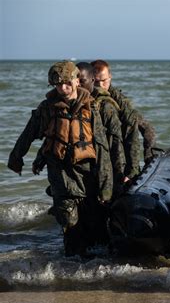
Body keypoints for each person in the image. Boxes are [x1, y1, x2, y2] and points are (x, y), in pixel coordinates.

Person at [8, 61, 114, 257]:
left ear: (76, 80)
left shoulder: (92, 107)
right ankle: (69, 267)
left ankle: (92, 273)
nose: (63, 89)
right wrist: (16, 156)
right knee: (69, 221)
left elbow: (102, 149)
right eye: (58, 85)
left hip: (87, 173)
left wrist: (106, 187)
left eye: (67, 83)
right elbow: (29, 133)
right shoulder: (48, 108)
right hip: (60, 172)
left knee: (94, 225)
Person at [91, 60, 159, 171]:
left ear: (110, 77)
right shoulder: (83, 97)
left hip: (118, 156)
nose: (100, 86)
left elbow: (147, 128)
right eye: (96, 82)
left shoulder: (120, 102)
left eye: (104, 81)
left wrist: (150, 159)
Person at [76, 62, 126, 197]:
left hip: (104, 167)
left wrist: (126, 174)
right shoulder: (70, 103)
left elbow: (116, 143)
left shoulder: (106, 105)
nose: (100, 85)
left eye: (103, 81)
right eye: (76, 81)